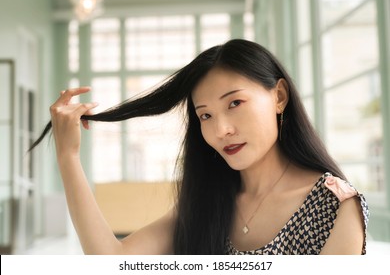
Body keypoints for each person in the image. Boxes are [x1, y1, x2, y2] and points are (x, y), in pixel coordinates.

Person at [30, 39, 369, 255]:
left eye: (235, 103)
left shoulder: (334, 206)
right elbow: (110, 261)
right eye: (205, 115)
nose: (221, 129)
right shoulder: (207, 200)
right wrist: (68, 157)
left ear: (278, 97)